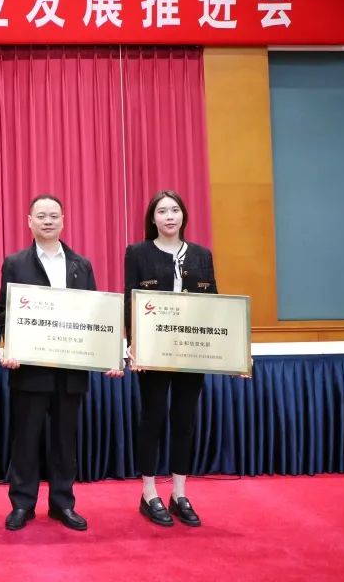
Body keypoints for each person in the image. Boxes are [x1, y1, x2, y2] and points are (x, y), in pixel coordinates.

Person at [0, 194, 118, 532]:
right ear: (29, 222)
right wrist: (6, 346)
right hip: (28, 370)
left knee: (65, 441)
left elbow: (95, 315)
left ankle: (62, 503)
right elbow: (4, 313)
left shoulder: (81, 265)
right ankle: (22, 504)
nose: (48, 221)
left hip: (70, 371)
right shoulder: (15, 263)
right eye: (41, 216)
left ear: (63, 221)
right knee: (25, 440)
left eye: (54, 215)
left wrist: (109, 353)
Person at [125, 189, 217, 528]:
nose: (169, 216)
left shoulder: (201, 255)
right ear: (153, 218)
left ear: (183, 216)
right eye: (162, 211)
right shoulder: (137, 253)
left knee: (184, 419)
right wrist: (133, 344)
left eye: (174, 210)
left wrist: (227, 349)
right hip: (153, 351)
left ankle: (179, 493)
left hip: (192, 350)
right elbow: (130, 300)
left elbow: (214, 304)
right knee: (152, 418)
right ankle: (149, 492)